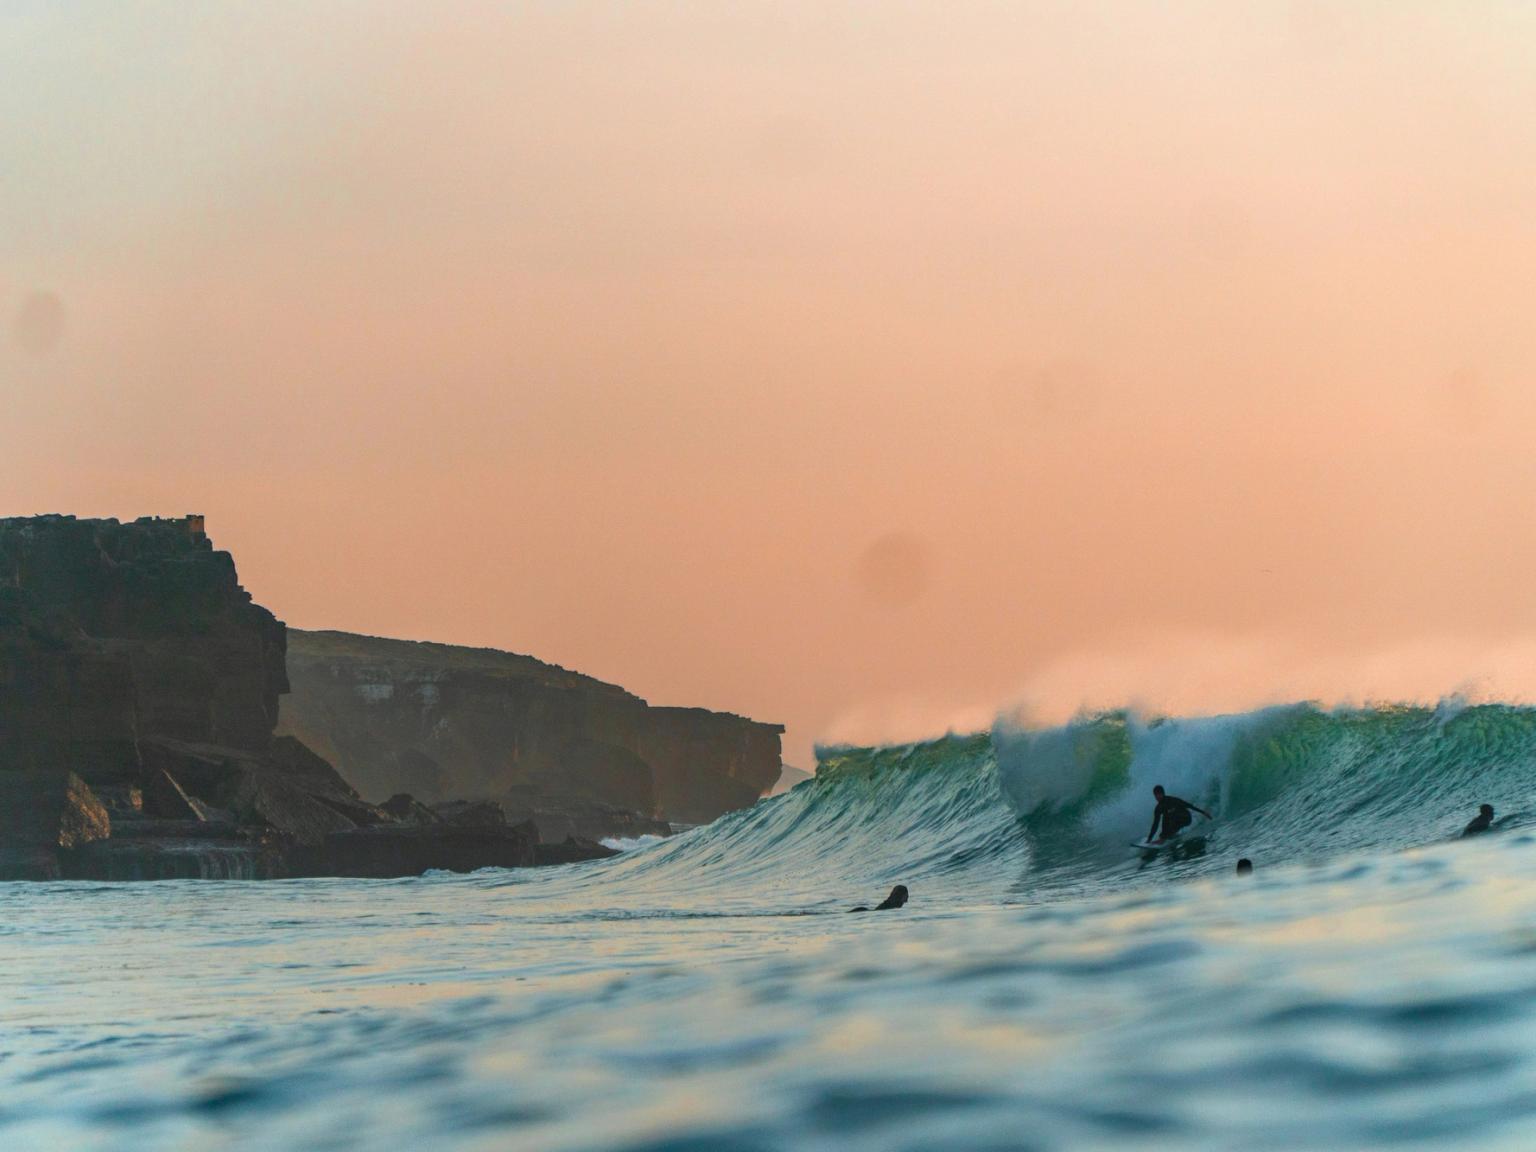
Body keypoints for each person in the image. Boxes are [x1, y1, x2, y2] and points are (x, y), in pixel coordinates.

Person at [1146, 785, 1211, 844]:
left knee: (1168, 816)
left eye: (1159, 794)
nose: (1157, 797)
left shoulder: (1172, 800)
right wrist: (1149, 839)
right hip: (1175, 821)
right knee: (1166, 819)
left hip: (1186, 817)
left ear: (1163, 794)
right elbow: (1155, 824)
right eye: (1156, 795)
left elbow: (1188, 805)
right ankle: (1170, 837)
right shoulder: (1158, 808)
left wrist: (1203, 812)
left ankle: (1164, 838)